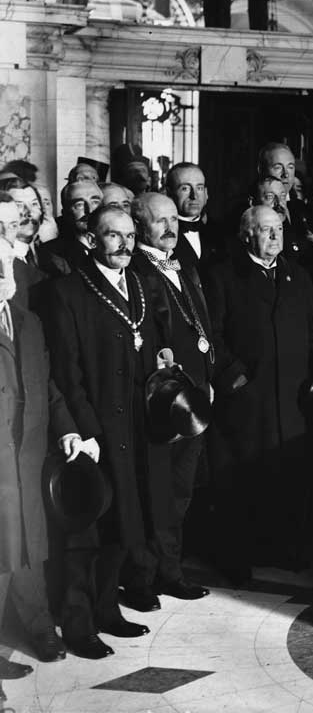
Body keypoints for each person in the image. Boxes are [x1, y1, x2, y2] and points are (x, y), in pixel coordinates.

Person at [45, 207, 169, 659]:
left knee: (123, 524)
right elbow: (66, 372)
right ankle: (77, 623)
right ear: (92, 239)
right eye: (112, 236)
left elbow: (147, 345)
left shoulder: (138, 283)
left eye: (130, 236)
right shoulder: (67, 292)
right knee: (86, 532)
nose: (124, 244)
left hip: (136, 427)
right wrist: (85, 430)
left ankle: (106, 609)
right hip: (94, 430)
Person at [125, 193, 246, 610]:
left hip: (194, 397)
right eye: (159, 221)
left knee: (180, 491)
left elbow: (201, 326)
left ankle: (170, 571)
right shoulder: (137, 269)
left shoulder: (182, 262)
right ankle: (142, 578)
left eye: (172, 219)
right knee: (153, 490)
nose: (169, 227)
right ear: (139, 226)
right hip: (161, 400)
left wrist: (210, 377)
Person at [204, 206, 313, 581]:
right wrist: (234, 377)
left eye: (278, 229)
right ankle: (236, 557)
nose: (275, 237)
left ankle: (282, 548)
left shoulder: (298, 275)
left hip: (292, 397)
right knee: (242, 478)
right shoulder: (223, 276)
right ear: (247, 235)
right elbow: (209, 335)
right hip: (248, 397)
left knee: (288, 475)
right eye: (266, 230)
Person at [0, 237, 71, 676]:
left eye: (2, 268)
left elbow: (48, 385)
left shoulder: (27, 322)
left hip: (26, 457)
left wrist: (71, 432)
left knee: (29, 546)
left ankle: (39, 624)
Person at [165, 162, 221, 270]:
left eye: (199, 188)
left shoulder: (220, 234)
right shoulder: (160, 235)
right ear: (169, 193)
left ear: (206, 193)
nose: (194, 196)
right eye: (185, 188)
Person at [42, 180, 103, 274]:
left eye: (95, 202)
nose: (89, 210)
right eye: (79, 205)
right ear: (65, 213)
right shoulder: (52, 253)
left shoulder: (119, 246)